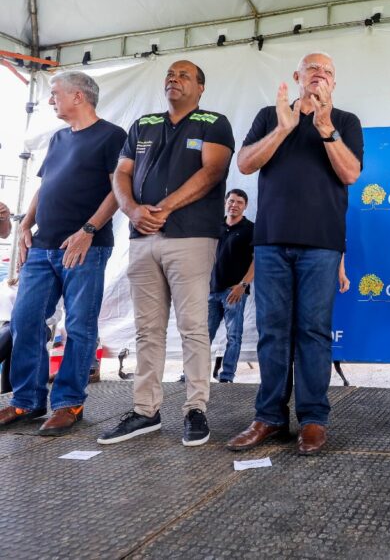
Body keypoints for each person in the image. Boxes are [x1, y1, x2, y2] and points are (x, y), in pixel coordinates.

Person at [227, 52, 362, 456]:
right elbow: (244, 164)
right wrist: (283, 129)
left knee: (314, 333)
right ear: (297, 77)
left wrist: (325, 128)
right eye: (312, 69)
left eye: (327, 71)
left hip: (321, 244)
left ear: (334, 83)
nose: (320, 75)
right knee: (272, 332)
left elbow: (350, 173)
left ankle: (313, 419)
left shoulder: (346, 122)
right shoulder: (270, 116)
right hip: (271, 242)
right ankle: (268, 417)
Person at [99, 60, 234, 447]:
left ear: (201, 87)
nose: (174, 79)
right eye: (170, 75)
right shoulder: (143, 124)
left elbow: (213, 172)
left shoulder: (213, 122)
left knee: (193, 327)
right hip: (142, 238)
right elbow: (121, 174)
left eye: (184, 75)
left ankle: (195, 409)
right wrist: (132, 210)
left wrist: (164, 207)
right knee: (147, 330)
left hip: (191, 237)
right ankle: (145, 411)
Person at [0, 72, 125, 436]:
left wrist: (88, 231)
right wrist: (26, 224)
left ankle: (69, 402)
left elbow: (119, 190)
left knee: (80, 326)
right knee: (24, 320)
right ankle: (27, 400)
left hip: (85, 247)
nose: (50, 99)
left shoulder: (112, 136)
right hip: (43, 246)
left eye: (55, 93)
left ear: (78, 96)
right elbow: (45, 185)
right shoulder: (58, 137)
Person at [208, 189, 254, 383]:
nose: (234, 205)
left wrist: (243, 285)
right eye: (231, 201)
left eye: (239, 202)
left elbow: (257, 260)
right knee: (202, 336)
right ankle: (191, 374)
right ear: (225, 202)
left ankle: (227, 376)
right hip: (211, 290)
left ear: (245, 206)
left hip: (234, 291)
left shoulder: (250, 229)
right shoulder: (214, 225)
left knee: (233, 336)